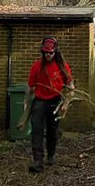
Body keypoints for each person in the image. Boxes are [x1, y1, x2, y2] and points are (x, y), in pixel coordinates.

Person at [19, 36, 74, 173]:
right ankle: (38, 161)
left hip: (55, 101)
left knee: (52, 131)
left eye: (50, 53)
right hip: (39, 102)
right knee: (36, 130)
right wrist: (26, 104)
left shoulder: (62, 66)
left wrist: (66, 102)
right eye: (45, 53)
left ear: (55, 52)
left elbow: (70, 86)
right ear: (42, 52)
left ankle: (51, 155)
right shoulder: (37, 66)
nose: (48, 55)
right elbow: (30, 88)